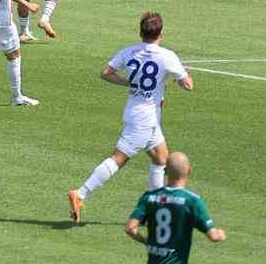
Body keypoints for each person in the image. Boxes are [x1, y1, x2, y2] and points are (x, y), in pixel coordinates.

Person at [68, 12, 193, 224]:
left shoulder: (129, 52)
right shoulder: (167, 56)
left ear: (140, 32)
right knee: (119, 158)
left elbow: (106, 73)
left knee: (161, 158)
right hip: (145, 119)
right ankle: (80, 193)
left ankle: (155, 210)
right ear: (161, 34)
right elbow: (188, 85)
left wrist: (127, 83)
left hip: (136, 111)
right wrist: (184, 75)